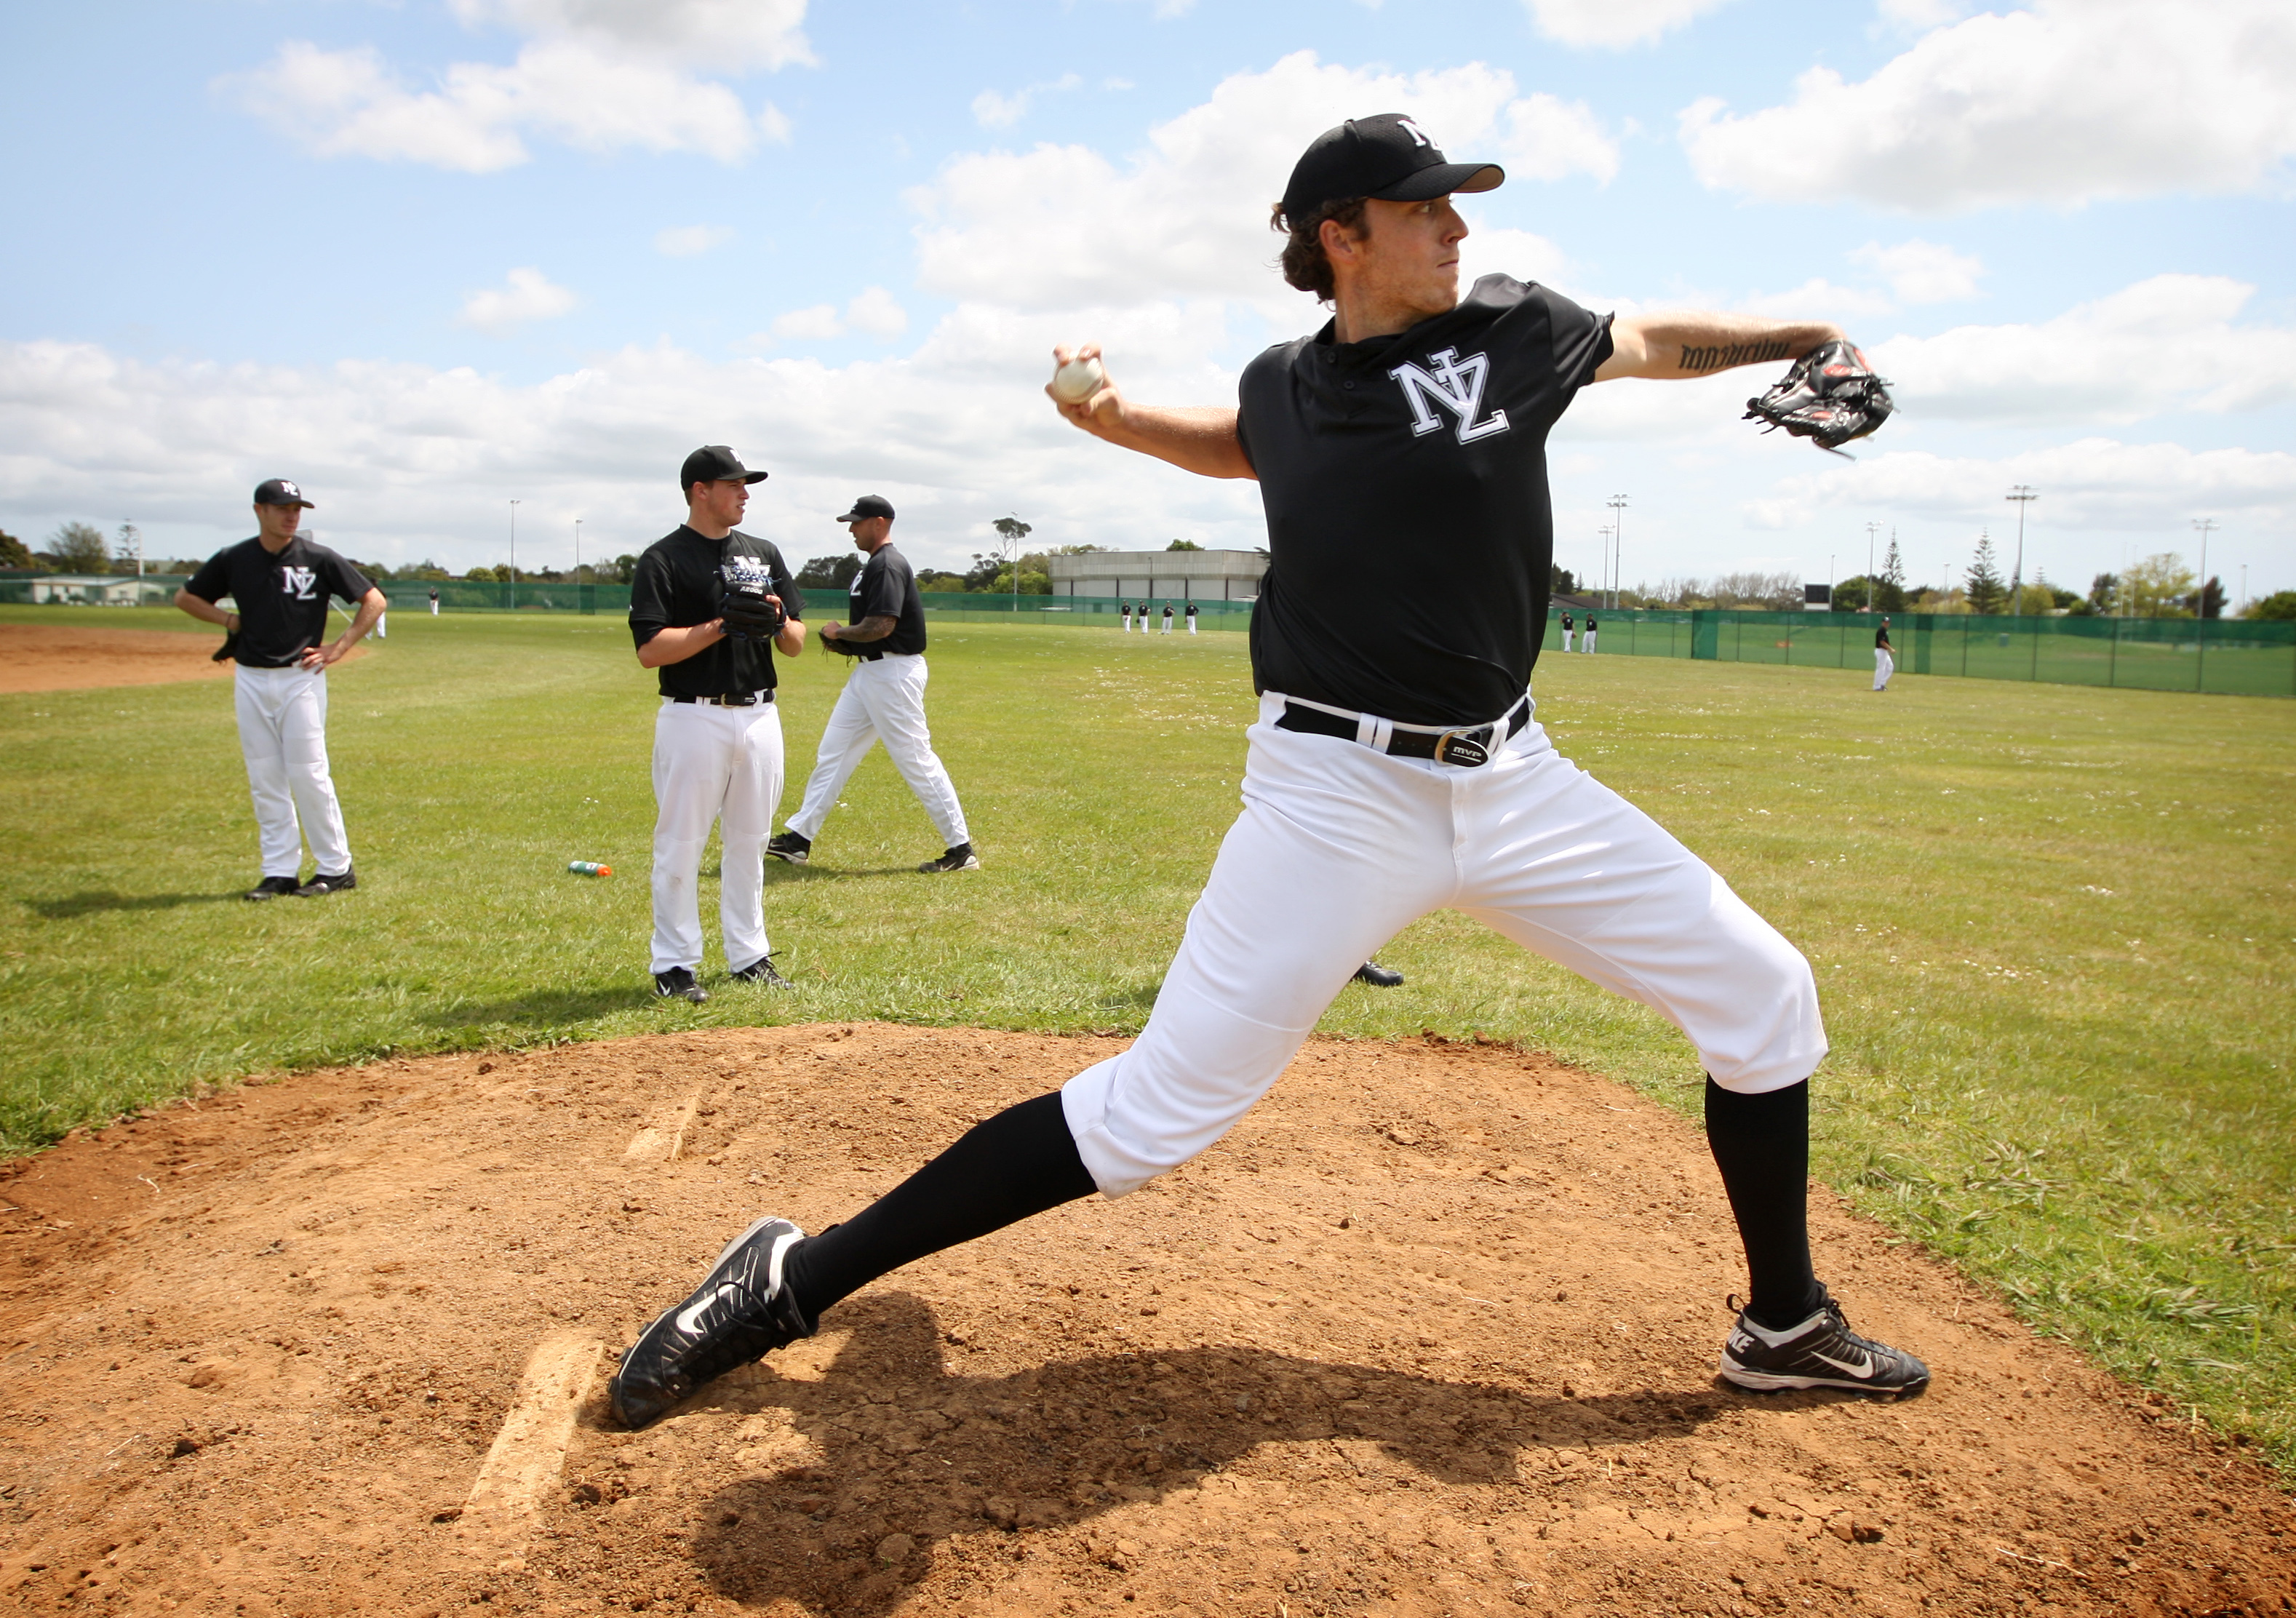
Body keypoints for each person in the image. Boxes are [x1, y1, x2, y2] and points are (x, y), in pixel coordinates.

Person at [609, 111, 1929, 1430]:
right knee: (1150, 1115)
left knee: (1763, 993)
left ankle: (1787, 1322)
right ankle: (791, 1275)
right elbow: (1233, 442)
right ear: (1338, 238)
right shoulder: (1287, 387)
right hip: (1334, 795)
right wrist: (1115, 414)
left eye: (1456, 205)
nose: (1456, 227)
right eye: (1424, 209)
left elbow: (1649, 344)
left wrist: (1807, 334)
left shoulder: (1516, 332)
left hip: (1518, 779)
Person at [629, 445, 805, 1005]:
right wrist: (719, 624)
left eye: (746, 484)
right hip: (693, 715)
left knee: (750, 843)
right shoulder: (663, 559)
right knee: (681, 843)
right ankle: (674, 964)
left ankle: (749, 955)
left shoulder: (763, 552)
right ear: (699, 489)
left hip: (760, 715)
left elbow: (796, 642)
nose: (745, 493)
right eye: (733, 484)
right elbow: (651, 650)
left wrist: (778, 619)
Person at [175, 479, 385, 901]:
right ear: (259, 510)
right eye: (282, 508)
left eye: (297, 509)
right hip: (251, 677)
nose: (292, 516)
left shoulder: (318, 558)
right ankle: (279, 872)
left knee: (309, 774)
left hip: (300, 678)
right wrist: (231, 623)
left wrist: (338, 648)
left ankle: (336, 867)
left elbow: (374, 600)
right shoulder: (236, 559)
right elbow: (186, 598)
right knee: (264, 776)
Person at [766, 496, 978, 875]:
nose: (851, 529)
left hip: (893, 673)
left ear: (879, 522)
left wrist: (837, 632)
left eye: (857, 522)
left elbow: (882, 625)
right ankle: (798, 839)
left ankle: (961, 849)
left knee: (915, 758)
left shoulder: (888, 565)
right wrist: (845, 641)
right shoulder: (873, 566)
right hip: (870, 673)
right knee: (834, 751)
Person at [1873, 616, 1894, 691]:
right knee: (1881, 668)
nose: (1886, 624)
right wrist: (1891, 649)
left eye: (1887, 622)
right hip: (1881, 651)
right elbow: (1882, 642)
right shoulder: (1881, 630)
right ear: (1882, 623)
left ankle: (1882, 683)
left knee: (1890, 667)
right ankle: (1877, 686)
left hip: (1884, 651)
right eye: (1885, 622)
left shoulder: (1885, 630)